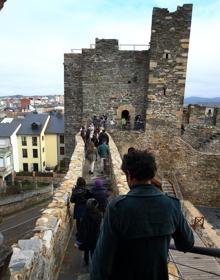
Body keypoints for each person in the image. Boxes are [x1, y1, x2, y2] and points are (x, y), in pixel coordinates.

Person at [91, 150, 194, 280]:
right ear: (152, 174)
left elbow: (102, 260)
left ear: (129, 175)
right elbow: (187, 243)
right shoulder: (171, 205)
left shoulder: (117, 208)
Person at [75, 198, 102, 266]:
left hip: (87, 237)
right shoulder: (99, 214)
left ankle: (86, 262)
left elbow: (83, 230)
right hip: (95, 235)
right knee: (93, 250)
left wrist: (78, 242)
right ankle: (94, 263)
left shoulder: (85, 216)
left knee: (86, 251)